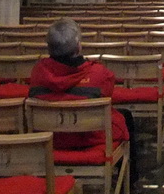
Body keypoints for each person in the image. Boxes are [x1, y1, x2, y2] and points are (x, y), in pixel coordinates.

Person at [28, 18, 131, 151]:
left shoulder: (37, 72)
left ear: (49, 47)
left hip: (50, 139)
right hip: (88, 139)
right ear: (78, 46)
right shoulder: (99, 73)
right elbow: (108, 93)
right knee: (125, 118)